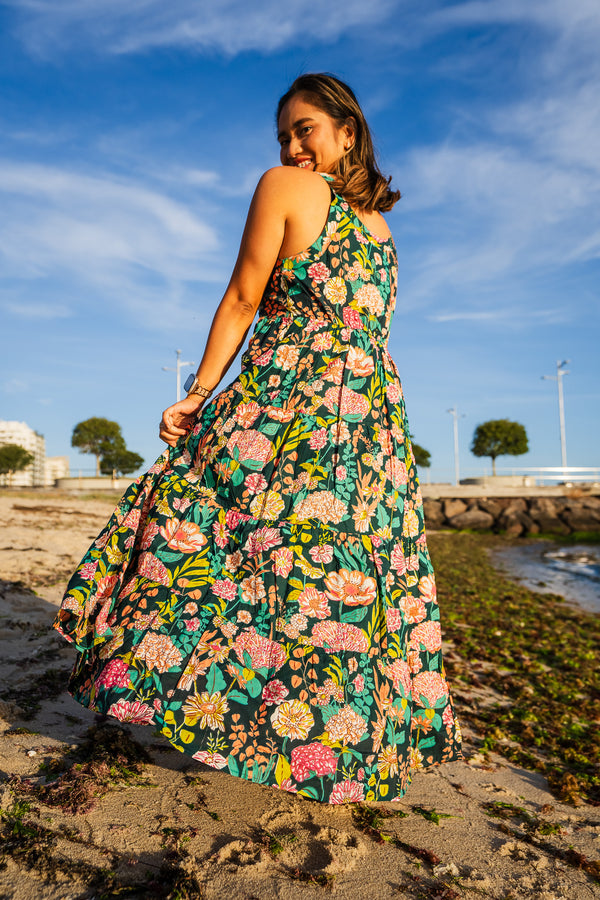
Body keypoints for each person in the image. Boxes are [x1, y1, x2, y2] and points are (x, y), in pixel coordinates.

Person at [54, 73, 462, 804]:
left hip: (307, 404)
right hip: (361, 419)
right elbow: (258, 299)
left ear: (348, 132)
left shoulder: (326, 203)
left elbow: (245, 294)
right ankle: (329, 745)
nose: (291, 147)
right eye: (283, 135)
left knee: (232, 539)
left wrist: (199, 393)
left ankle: (221, 705)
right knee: (341, 578)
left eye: (305, 128)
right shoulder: (379, 232)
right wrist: (204, 389)